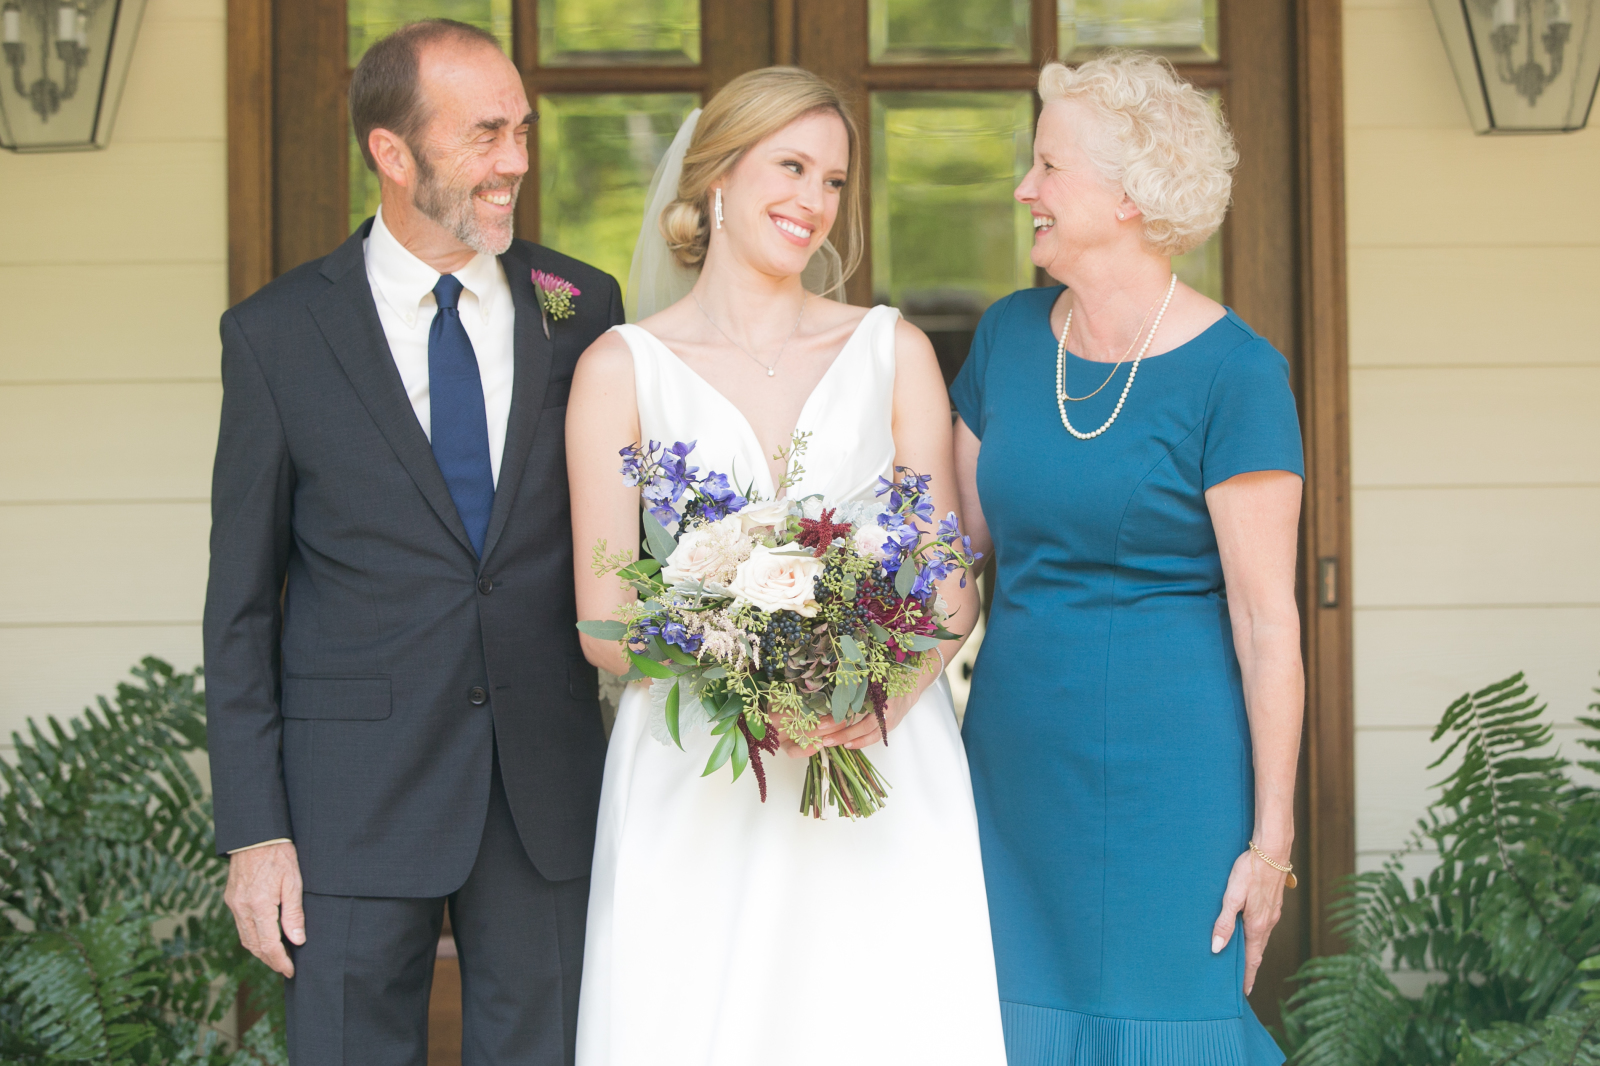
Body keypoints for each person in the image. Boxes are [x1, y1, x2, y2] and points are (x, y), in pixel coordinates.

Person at [566, 67, 1007, 1065]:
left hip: (881, 757)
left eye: (835, 180)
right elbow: (604, 622)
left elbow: (947, 589)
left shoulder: (892, 350)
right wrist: (747, 667)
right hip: (699, 775)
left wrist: (878, 693)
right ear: (716, 175)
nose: (815, 200)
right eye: (792, 167)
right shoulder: (618, 370)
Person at [205, 20, 622, 1065]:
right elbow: (241, 605)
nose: (516, 161)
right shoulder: (274, 335)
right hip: (350, 800)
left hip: (543, 789)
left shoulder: (582, 307)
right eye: (485, 135)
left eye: (522, 130)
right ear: (391, 153)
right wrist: (255, 831)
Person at [951, 52, 1304, 1065]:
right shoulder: (1008, 338)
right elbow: (946, 564)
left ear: (1130, 198)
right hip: (1015, 763)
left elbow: (1266, 622)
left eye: (1049, 167)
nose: (1025, 189)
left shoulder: (1237, 373)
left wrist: (1270, 843)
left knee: (1169, 1022)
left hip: (1174, 775)